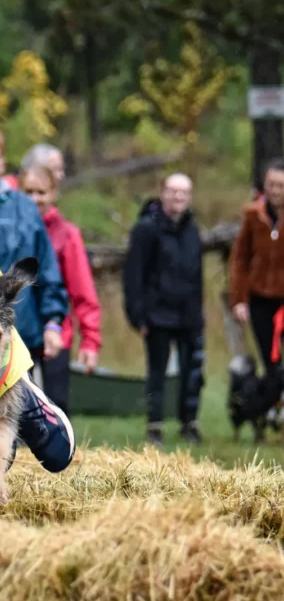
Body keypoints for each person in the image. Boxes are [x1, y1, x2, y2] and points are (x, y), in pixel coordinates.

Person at [0, 129, 70, 400]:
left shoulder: (25, 208)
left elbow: (46, 268)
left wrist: (53, 322)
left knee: (23, 411)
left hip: (23, 330)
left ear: (2, 162)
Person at [123, 173, 204, 445]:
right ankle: (155, 425)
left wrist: (199, 313)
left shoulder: (192, 229)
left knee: (191, 373)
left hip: (188, 315)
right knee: (157, 374)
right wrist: (137, 315)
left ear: (189, 197)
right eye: (173, 192)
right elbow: (133, 275)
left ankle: (189, 423)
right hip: (157, 315)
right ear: (162, 193)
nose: (178, 198)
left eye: (183, 193)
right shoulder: (145, 229)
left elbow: (197, 276)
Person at [21, 162, 102, 412]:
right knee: (19, 407)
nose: (35, 199)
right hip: (19, 333)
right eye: (29, 192)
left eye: (41, 193)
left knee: (57, 404)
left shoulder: (67, 234)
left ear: (53, 193)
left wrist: (90, 339)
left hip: (57, 334)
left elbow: (82, 290)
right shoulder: (12, 230)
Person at [230, 158, 284, 376]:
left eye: (280, 185)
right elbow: (239, 259)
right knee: (269, 358)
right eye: (271, 184)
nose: (275, 191)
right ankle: (274, 406)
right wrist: (239, 300)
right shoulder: (253, 215)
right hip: (260, 298)